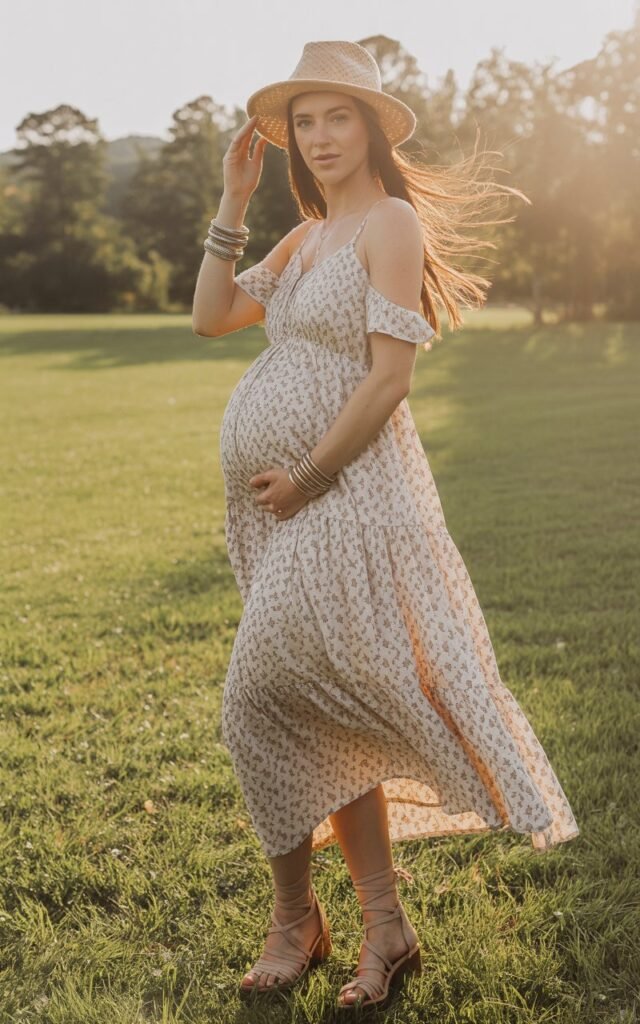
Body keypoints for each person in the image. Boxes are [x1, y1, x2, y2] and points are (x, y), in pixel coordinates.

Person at [192, 39, 580, 1010]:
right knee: (312, 700)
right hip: (279, 513)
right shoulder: (306, 234)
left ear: (369, 128)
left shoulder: (388, 223)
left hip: (350, 495)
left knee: (256, 695)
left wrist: (313, 474)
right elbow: (209, 317)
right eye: (305, 122)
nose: (320, 137)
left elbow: (389, 376)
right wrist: (233, 204)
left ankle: (304, 924)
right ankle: (374, 928)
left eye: (338, 117)